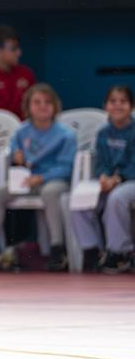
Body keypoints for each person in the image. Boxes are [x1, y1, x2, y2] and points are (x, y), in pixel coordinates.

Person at [0, 83, 75, 273]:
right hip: (26, 181)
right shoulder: (22, 131)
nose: (43, 106)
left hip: (54, 181)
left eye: (47, 102)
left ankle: (57, 249)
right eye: (37, 102)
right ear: (28, 106)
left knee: (50, 193)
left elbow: (66, 167)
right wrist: (16, 156)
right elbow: (13, 150)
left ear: (55, 106)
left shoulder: (65, 135)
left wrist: (42, 177)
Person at [71, 85, 135, 274]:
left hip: (130, 180)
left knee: (117, 198)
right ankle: (93, 251)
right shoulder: (103, 133)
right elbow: (101, 162)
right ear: (105, 106)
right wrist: (103, 177)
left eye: (123, 101)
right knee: (79, 198)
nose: (117, 105)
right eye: (113, 101)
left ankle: (120, 253)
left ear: (131, 106)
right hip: (112, 181)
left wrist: (117, 179)